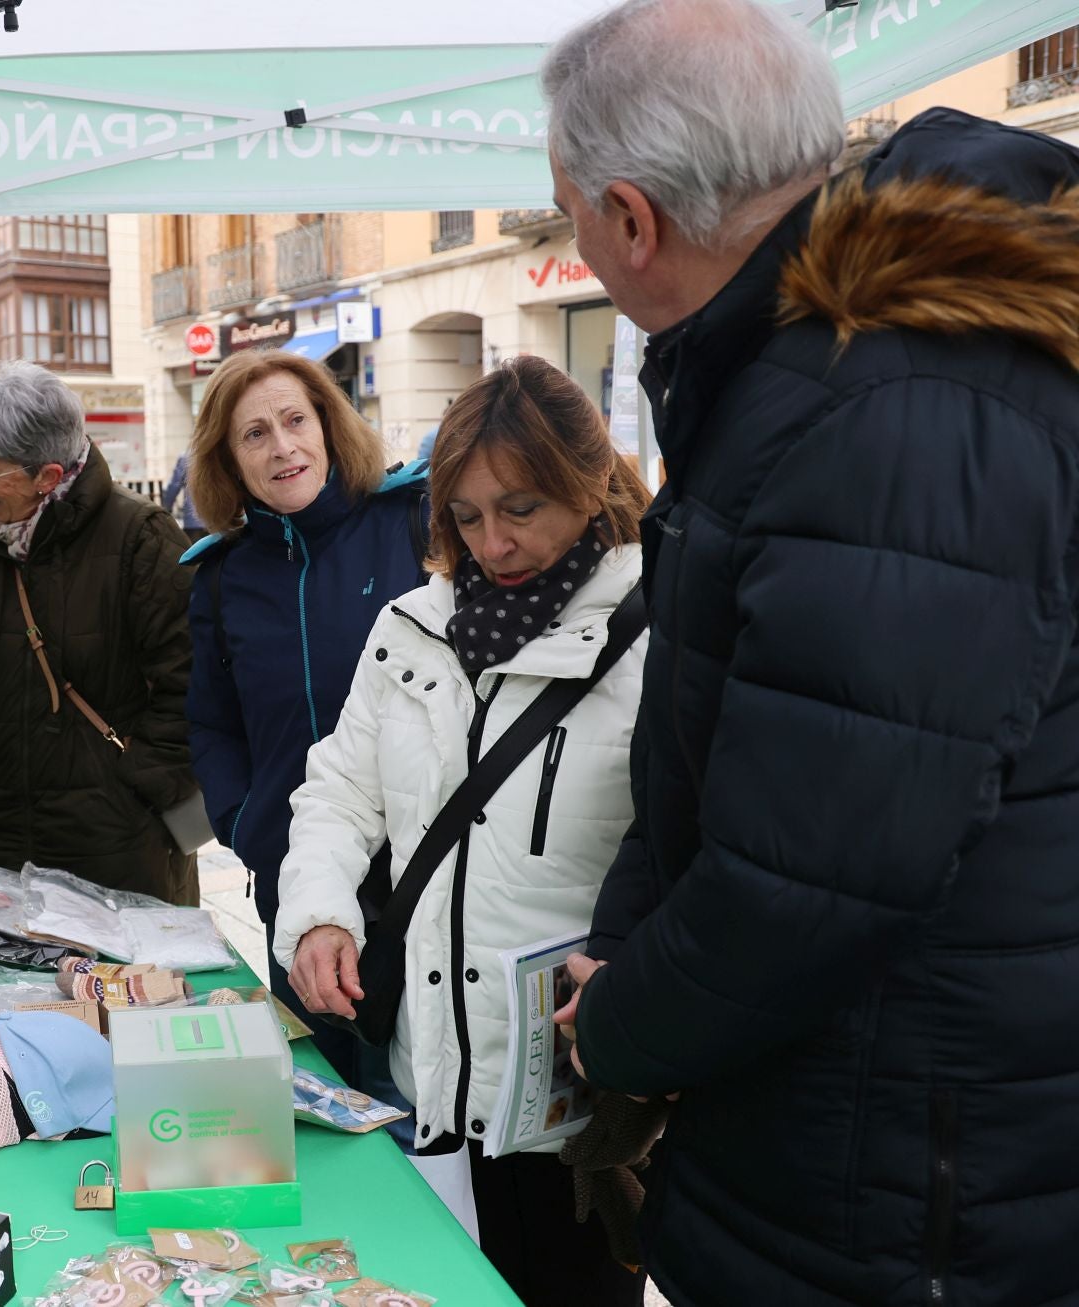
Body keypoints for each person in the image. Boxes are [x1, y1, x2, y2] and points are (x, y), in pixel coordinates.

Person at [539, 3, 1079, 1305]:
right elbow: (734, 734)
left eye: (565, 210)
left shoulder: (890, 395)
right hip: (874, 1129)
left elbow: (827, 861)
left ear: (629, 217)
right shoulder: (819, 364)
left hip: (908, 1172)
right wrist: (629, 938)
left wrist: (622, 1022)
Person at [275, 358, 651, 1307]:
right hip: (436, 1073)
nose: (495, 541)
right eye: (469, 515)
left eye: (521, 508)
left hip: (579, 1097)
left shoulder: (656, 632)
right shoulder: (413, 625)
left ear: (588, 481)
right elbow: (339, 789)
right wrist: (319, 910)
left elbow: (693, 845)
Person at [181, 348, 431, 1086]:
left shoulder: (407, 526)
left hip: (416, 879)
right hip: (293, 881)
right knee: (323, 1096)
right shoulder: (222, 577)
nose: (282, 445)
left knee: (417, 1101)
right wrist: (244, 821)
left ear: (328, 425)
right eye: (254, 433)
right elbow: (211, 722)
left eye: (295, 420)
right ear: (229, 459)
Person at [0, 361, 200, 904]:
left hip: (117, 843)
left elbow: (190, 687)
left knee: (122, 987)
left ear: (47, 476)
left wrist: (137, 789)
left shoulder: (142, 538)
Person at [158, 449, 207, 543]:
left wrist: (166, 509)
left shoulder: (187, 457)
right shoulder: (219, 454)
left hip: (194, 520)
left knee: (196, 555)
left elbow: (174, 486)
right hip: (219, 521)